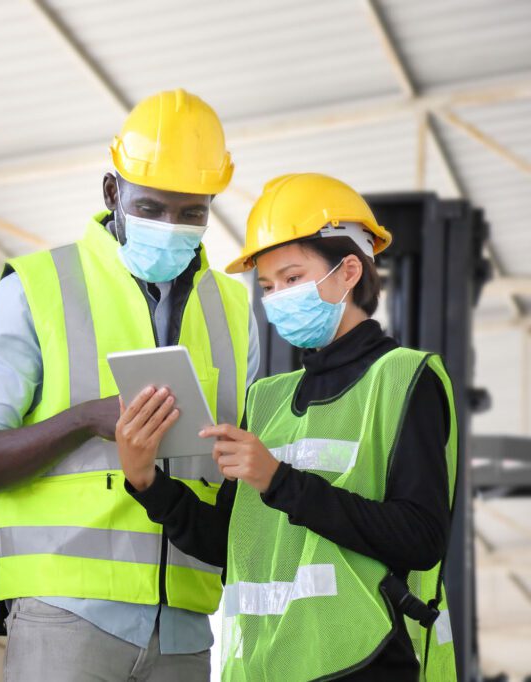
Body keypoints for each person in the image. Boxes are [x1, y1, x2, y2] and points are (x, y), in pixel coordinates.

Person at [0, 89, 261, 681]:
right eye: (153, 207)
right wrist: (85, 419)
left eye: (192, 212)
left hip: (185, 627)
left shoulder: (234, 309)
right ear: (112, 192)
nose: (173, 227)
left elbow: (238, 481)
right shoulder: (39, 286)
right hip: (64, 613)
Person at [116, 172, 458, 681]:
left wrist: (279, 481)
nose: (277, 298)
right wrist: (147, 482)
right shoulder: (268, 398)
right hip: (265, 668)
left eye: (293, 279)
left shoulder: (405, 377)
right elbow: (230, 545)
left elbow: (421, 538)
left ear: (347, 272)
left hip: (370, 663)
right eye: (269, 286)